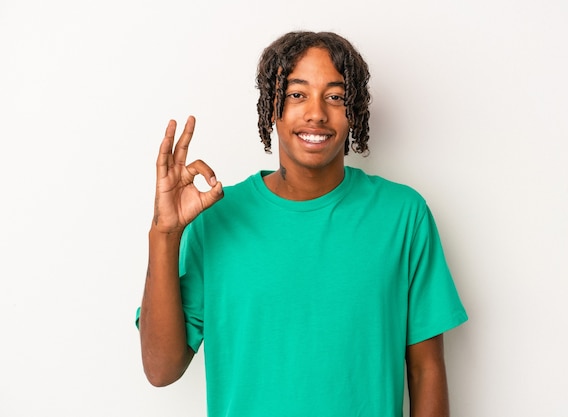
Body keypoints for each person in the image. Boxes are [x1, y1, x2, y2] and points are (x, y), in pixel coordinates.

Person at [137, 31, 467, 417]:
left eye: (336, 96)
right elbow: (161, 369)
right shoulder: (217, 217)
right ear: (271, 106)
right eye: (297, 94)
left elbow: (426, 370)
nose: (316, 112)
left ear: (354, 110)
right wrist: (165, 233)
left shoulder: (402, 216)